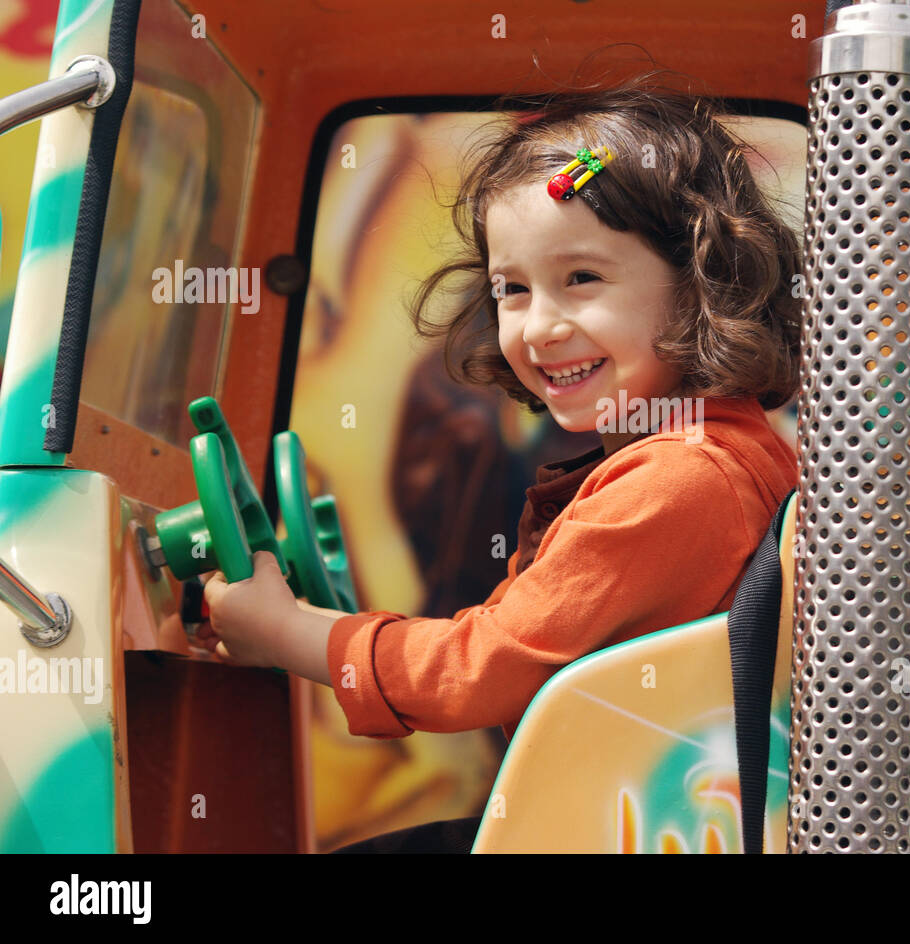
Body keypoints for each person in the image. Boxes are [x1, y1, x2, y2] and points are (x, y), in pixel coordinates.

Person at [195, 70, 804, 847]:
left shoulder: (678, 482)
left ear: (698, 287)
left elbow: (474, 670)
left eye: (581, 279)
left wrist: (284, 632)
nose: (539, 327)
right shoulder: (715, 453)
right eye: (512, 290)